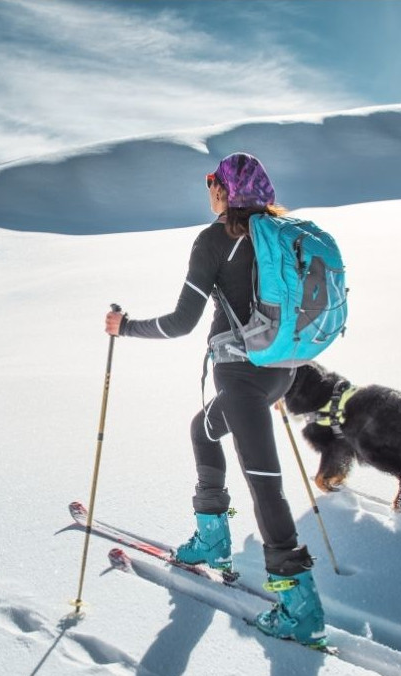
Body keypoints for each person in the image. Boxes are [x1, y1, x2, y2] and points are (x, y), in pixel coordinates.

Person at [103, 152, 327, 648]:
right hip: (282, 373)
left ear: (226, 191)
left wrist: (127, 328)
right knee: (202, 429)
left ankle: (300, 605)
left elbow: (182, 322)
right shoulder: (284, 235)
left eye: (212, 182)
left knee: (264, 483)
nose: (208, 190)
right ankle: (212, 538)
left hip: (242, 377)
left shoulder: (213, 241)